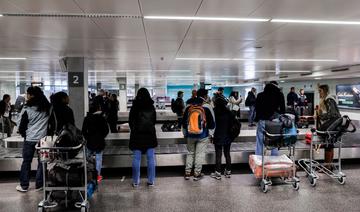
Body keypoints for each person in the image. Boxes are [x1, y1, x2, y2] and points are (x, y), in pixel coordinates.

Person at [16, 86, 51, 192]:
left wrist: (24, 135)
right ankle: (39, 184)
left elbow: (21, 126)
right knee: (42, 162)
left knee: (26, 161)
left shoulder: (27, 109)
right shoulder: (47, 108)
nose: (26, 96)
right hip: (43, 140)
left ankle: (24, 185)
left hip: (30, 139)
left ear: (32, 95)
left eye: (28, 94)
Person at [182, 88, 215, 181]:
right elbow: (212, 123)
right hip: (203, 135)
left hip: (190, 134)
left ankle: (187, 173)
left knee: (190, 153)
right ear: (205, 96)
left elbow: (184, 122)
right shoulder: (207, 106)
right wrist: (211, 134)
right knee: (199, 154)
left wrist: (185, 133)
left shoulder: (189, 106)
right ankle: (197, 174)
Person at [129, 88, 157, 187]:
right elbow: (154, 121)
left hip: (137, 136)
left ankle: (136, 182)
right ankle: (151, 181)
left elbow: (130, 122)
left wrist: (135, 129)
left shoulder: (134, 107)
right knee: (151, 159)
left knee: (136, 159)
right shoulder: (151, 107)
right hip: (149, 135)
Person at [255, 81, 285, 156]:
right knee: (274, 140)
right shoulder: (280, 95)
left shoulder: (260, 95)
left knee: (260, 140)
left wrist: (258, 118)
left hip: (262, 120)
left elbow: (257, 109)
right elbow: (283, 110)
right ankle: (274, 158)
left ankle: (258, 158)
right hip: (275, 120)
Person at [82, 102, 110, 182]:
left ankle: (87, 175)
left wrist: (88, 138)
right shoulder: (102, 118)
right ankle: (97, 176)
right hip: (100, 142)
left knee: (87, 158)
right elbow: (106, 130)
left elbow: (84, 131)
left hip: (90, 142)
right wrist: (101, 137)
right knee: (98, 159)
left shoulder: (87, 118)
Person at [316, 84, 341, 170]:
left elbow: (332, 114)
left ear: (323, 91)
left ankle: (327, 166)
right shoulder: (329, 99)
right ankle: (329, 165)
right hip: (335, 125)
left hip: (333, 125)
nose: (319, 93)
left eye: (320, 91)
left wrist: (321, 115)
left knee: (328, 145)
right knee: (330, 145)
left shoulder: (329, 99)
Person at [210, 96, 235, 180]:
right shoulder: (228, 112)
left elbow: (211, 125)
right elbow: (233, 122)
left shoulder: (214, 112)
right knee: (227, 154)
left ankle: (218, 173)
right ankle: (228, 172)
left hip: (217, 136)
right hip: (228, 136)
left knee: (218, 155)